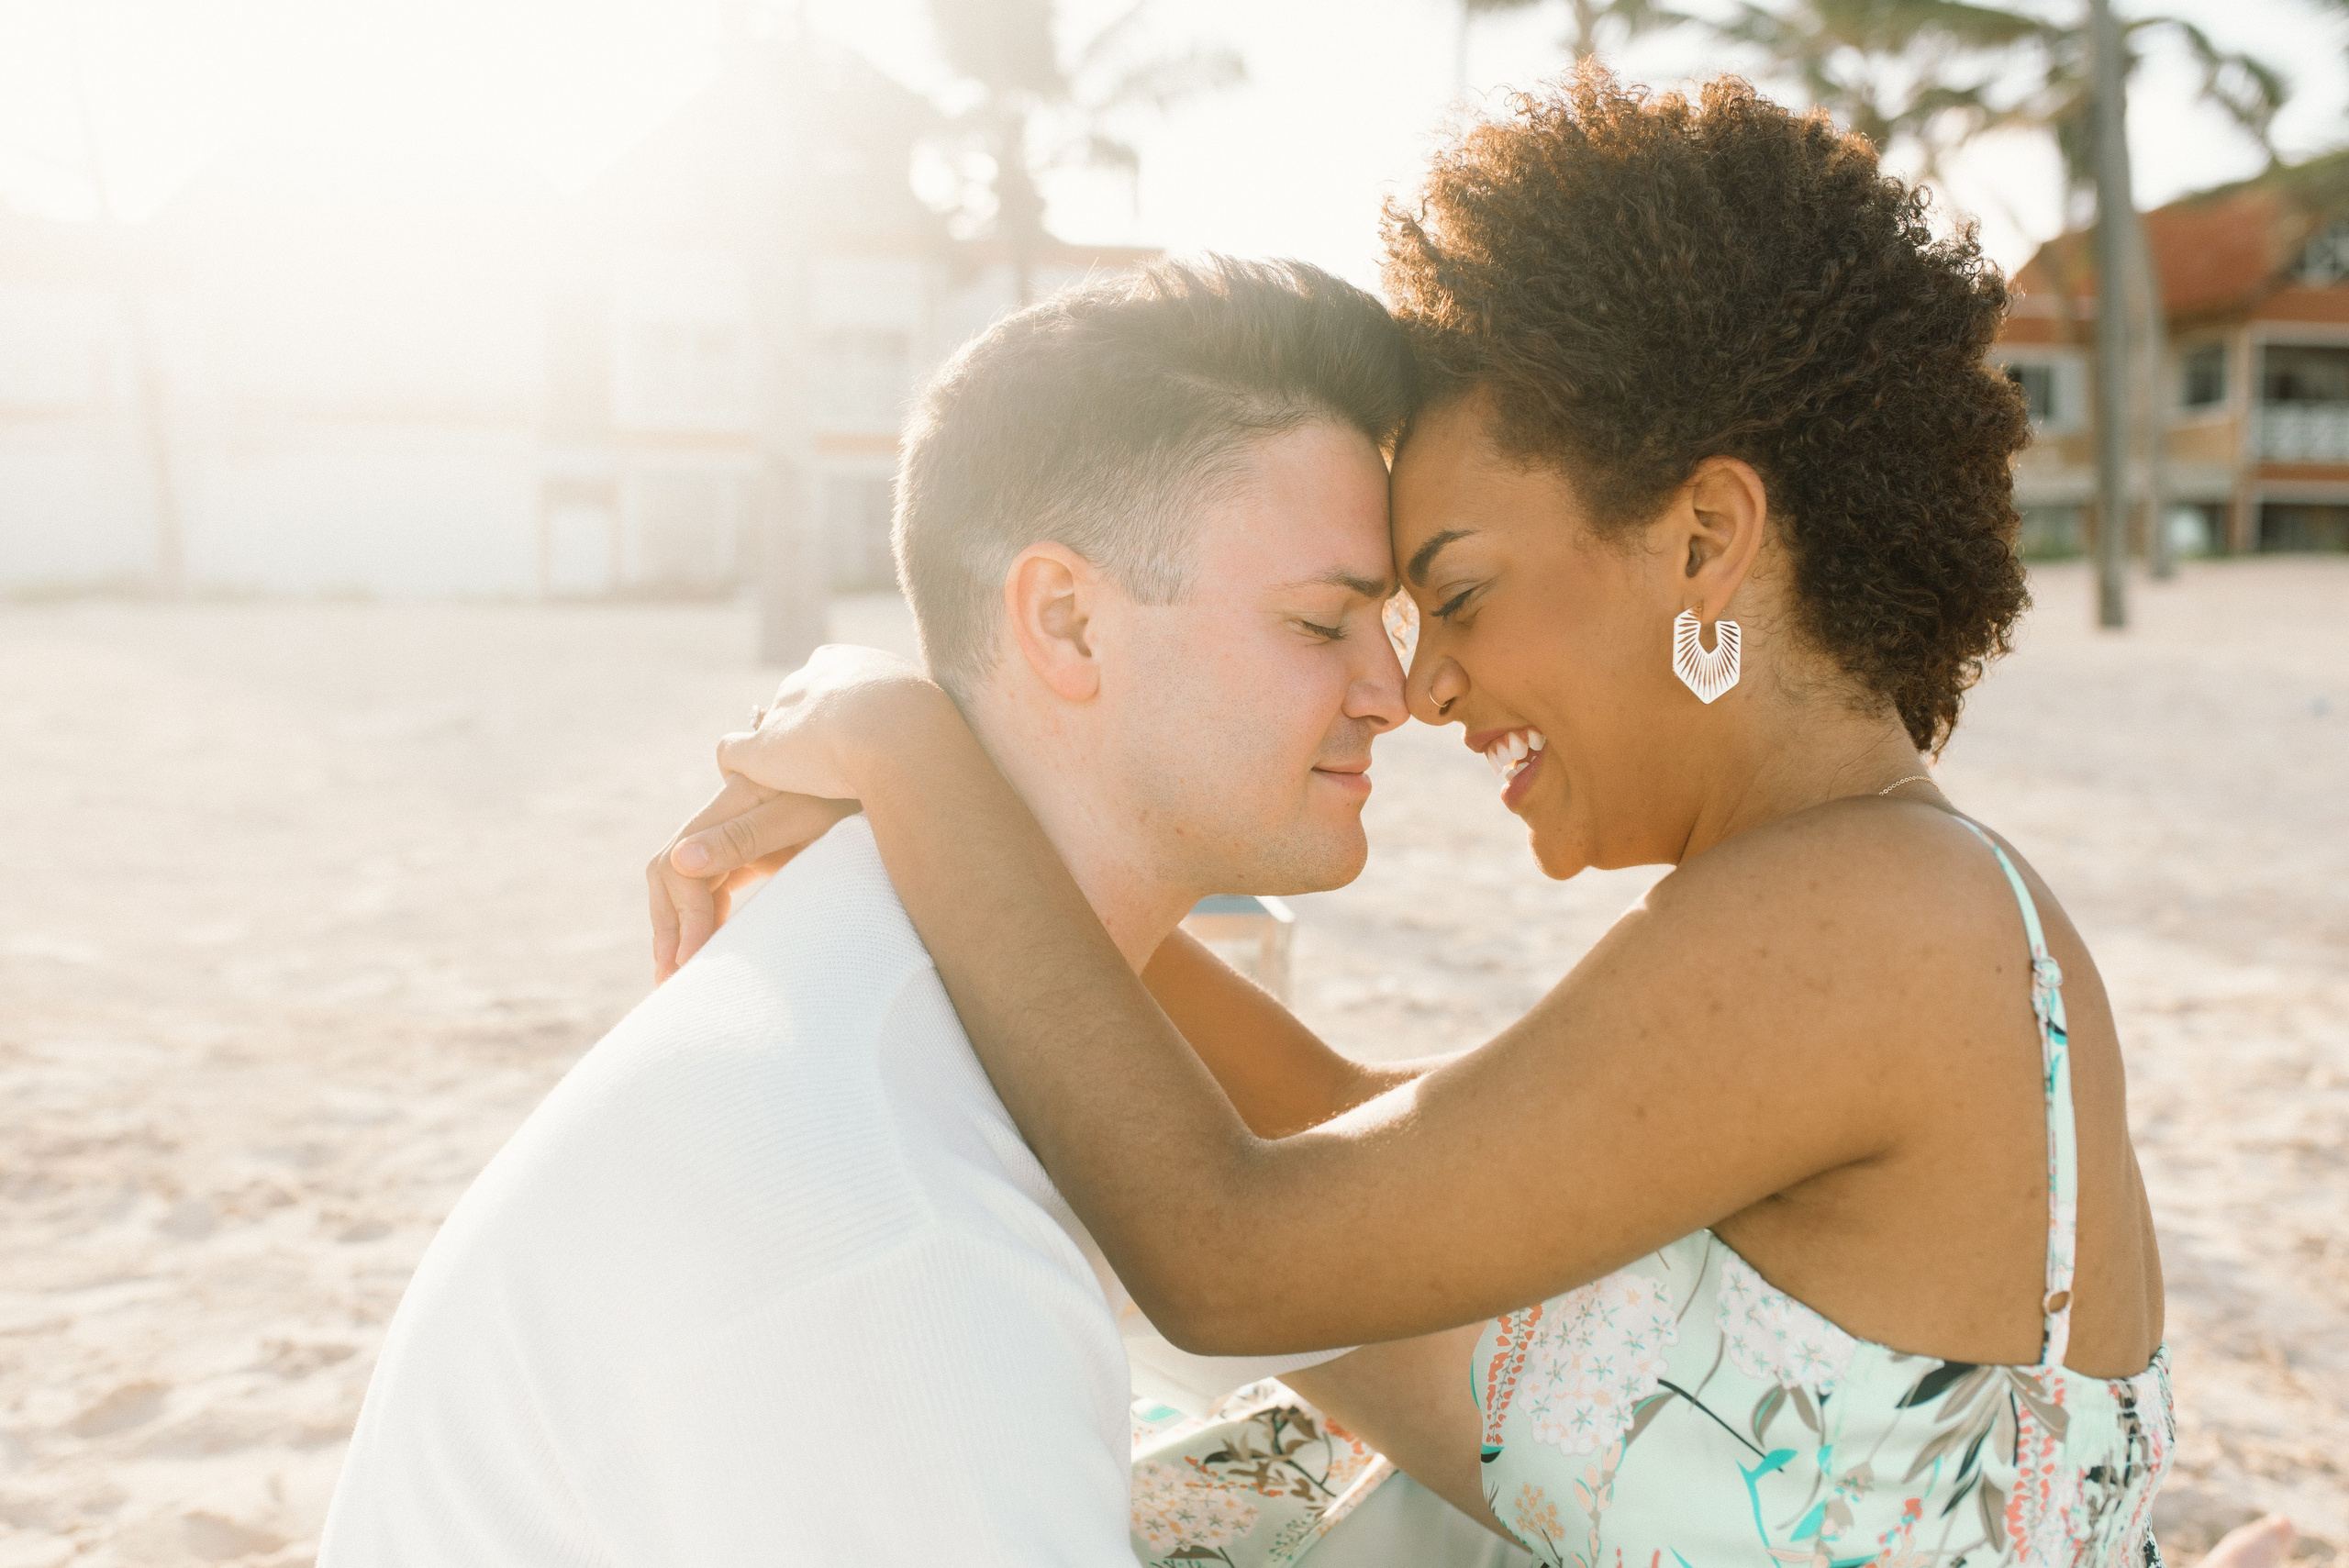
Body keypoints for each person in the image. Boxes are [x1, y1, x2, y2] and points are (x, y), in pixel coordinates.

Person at [655, 72, 2182, 1565]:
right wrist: (993, 833)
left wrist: (904, 739)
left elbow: (1233, 1247)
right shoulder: (1890, 899)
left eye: (1455, 593)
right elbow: (1343, 1133)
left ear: (1705, 539)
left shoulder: (1874, 921)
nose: (1424, 685)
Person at [321, 257, 1517, 1563]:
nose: (1393, 691)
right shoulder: (904, 1228)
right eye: (1319, 624)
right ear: (1064, 620)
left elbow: (1331, 1134)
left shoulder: (892, 956)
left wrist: (900, 743)